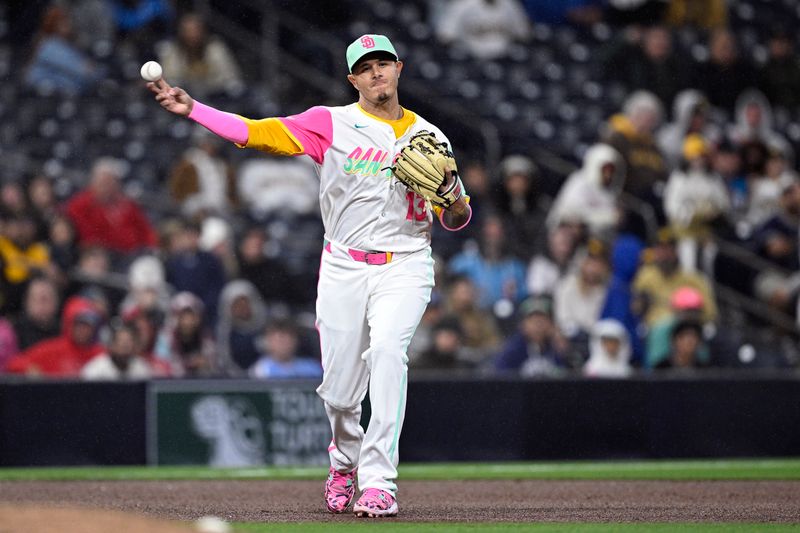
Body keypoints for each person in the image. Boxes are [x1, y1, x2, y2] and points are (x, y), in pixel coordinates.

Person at [146, 33, 471, 518]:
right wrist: (194, 109)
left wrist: (452, 191)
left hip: (405, 262)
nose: (375, 72)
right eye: (365, 67)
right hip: (343, 265)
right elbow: (253, 131)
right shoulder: (330, 123)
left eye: (383, 63)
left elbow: (457, 219)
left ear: (399, 68)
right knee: (339, 391)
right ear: (352, 79)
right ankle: (343, 463)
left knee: (387, 353)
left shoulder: (431, 136)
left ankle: (380, 482)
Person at [65, 157, 158, 257]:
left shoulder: (128, 205)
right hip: (99, 256)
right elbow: (84, 236)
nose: (107, 187)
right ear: (94, 182)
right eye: (104, 182)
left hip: (133, 255)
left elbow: (146, 231)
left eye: (111, 182)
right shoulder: (80, 205)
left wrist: (152, 247)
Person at [5, 296, 104, 377]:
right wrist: (28, 369)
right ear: (69, 324)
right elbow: (14, 364)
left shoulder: (100, 354)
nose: (83, 330)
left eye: (87, 325)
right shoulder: (52, 349)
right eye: (78, 324)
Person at [547, 143, 625, 238]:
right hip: (562, 235)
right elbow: (572, 212)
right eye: (605, 170)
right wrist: (608, 217)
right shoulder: (579, 181)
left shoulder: (611, 192)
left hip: (593, 242)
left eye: (611, 171)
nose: (608, 175)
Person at [156, 12, 242, 96]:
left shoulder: (214, 48)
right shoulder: (172, 50)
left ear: (203, 31)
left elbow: (229, 77)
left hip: (216, 96)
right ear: (180, 32)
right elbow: (170, 78)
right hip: (184, 96)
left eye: (195, 30)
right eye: (187, 31)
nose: (192, 35)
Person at [494, 295, 567, 377]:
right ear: (522, 324)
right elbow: (500, 375)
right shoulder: (513, 348)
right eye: (532, 320)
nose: (538, 325)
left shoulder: (556, 345)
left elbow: (570, 373)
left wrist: (562, 352)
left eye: (542, 319)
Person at [436, 0, 531, 61]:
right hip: (470, 58)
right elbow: (444, 35)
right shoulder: (461, 4)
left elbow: (523, 34)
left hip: (504, 59)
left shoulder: (509, 4)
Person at [216, 279, 269, 375]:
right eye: (237, 305)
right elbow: (224, 361)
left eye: (245, 303)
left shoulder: (266, 327)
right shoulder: (223, 332)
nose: (242, 308)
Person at [249, 319, 322, 379]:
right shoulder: (260, 370)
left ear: (295, 341)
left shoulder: (312, 367)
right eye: (278, 340)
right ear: (268, 342)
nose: (283, 345)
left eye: (287, 340)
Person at [80, 322, 152, 380]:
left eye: (128, 341)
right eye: (121, 342)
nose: (125, 346)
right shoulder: (96, 369)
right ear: (111, 345)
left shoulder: (141, 367)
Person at [11, 277, 61, 351]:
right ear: (26, 302)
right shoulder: (13, 332)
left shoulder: (64, 330)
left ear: (57, 301)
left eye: (45, 299)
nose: (41, 305)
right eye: (35, 299)